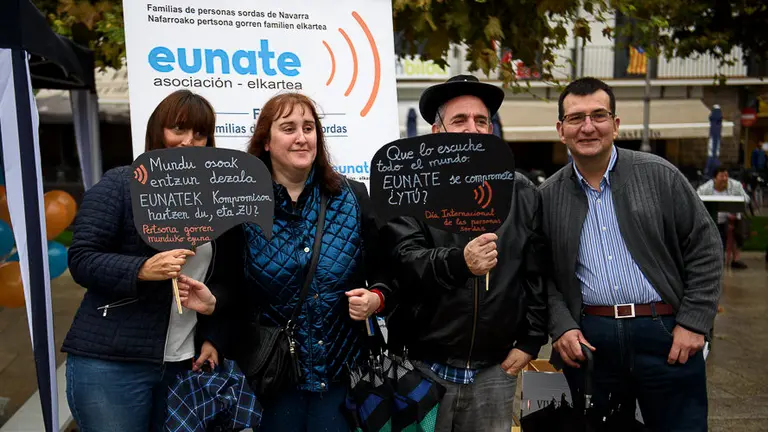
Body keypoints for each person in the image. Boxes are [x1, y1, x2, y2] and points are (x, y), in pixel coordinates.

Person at [175, 92, 392, 432]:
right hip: (274, 380)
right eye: (289, 128)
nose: (302, 137)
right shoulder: (241, 207)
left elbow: (387, 271)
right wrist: (214, 304)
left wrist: (376, 298)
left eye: (309, 128)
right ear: (265, 141)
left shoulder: (352, 197)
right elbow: (230, 284)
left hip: (341, 378)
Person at [540, 77, 723, 431]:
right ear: (561, 130)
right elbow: (540, 273)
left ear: (616, 124)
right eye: (576, 119)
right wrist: (561, 326)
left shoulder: (660, 176)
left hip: (666, 333)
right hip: (590, 340)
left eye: (599, 115)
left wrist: (693, 322)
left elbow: (706, 247)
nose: (588, 127)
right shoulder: (547, 196)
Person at [383, 74, 548, 432]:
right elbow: (404, 263)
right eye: (459, 120)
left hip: (495, 370)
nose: (472, 129)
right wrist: (460, 263)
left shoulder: (521, 192)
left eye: (481, 120)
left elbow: (536, 274)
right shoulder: (411, 187)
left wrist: (532, 340)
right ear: (436, 131)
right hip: (424, 368)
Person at [62, 90, 233, 432]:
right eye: (179, 129)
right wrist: (141, 269)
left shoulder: (215, 199)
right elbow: (81, 258)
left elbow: (228, 278)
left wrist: (214, 334)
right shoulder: (121, 185)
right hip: (112, 362)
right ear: (158, 131)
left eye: (199, 134)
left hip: (185, 363)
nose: (188, 142)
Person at [697, 166, 751, 269]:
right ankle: (712, 257)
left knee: (738, 228)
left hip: (731, 219)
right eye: (722, 176)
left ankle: (736, 260)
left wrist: (735, 211)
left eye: (726, 175)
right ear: (715, 178)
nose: (725, 178)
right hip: (711, 219)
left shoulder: (735, 185)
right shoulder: (704, 188)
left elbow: (746, 199)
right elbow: (696, 199)